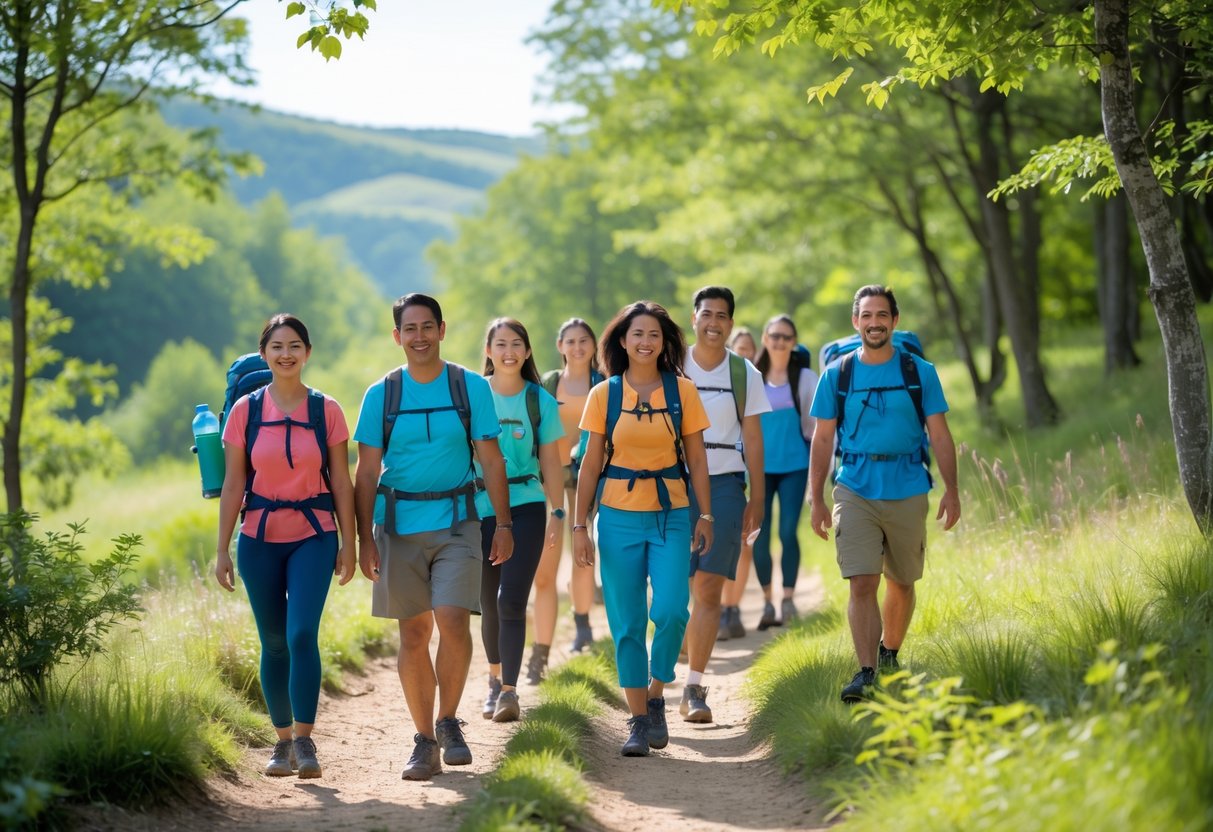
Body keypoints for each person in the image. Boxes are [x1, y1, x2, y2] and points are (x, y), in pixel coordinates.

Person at [353, 293, 513, 781]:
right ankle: (423, 739)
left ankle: (449, 721)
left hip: (458, 522)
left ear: (442, 330)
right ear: (396, 335)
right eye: (410, 328)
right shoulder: (382, 394)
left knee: (453, 620)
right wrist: (363, 539)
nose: (419, 336)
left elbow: (490, 458)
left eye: (428, 326)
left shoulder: (469, 387)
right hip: (398, 528)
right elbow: (365, 473)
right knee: (414, 632)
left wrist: (503, 523)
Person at [215, 313, 356, 780]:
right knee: (274, 642)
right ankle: (281, 743)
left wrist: (350, 542)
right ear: (265, 354)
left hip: (315, 534)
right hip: (258, 538)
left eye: (295, 345)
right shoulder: (246, 412)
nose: (286, 354)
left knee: (300, 636)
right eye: (277, 346)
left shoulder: (326, 410)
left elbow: (341, 479)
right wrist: (222, 549)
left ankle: (305, 739)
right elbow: (235, 483)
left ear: (308, 352)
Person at [573, 300, 713, 757]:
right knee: (627, 621)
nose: (646, 341)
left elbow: (697, 459)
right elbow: (590, 463)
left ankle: (656, 692)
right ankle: (637, 719)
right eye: (637, 334)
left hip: (671, 512)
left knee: (672, 609)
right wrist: (580, 525)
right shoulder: (604, 394)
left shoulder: (682, 391)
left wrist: (705, 515)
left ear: (664, 340)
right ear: (622, 340)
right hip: (616, 517)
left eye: (653, 334)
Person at [808, 285, 960, 703]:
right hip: (854, 484)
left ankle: (889, 652)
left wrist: (953, 490)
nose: (874, 322)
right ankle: (866, 671)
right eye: (866, 315)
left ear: (894, 321)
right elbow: (822, 439)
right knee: (861, 581)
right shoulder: (837, 374)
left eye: (882, 315)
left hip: (908, 484)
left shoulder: (919, 372)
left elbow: (940, 434)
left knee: (903, 580)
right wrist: (816, 497)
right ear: (855, 322)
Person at [680, 288, 770, 723]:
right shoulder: (672, 365)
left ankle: (694, 687)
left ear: (731, 324)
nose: (713, 322)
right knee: (673, 589)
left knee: (710, 589)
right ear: (693, 318)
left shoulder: (744, 372)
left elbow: (753, 437)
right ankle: (657, 683)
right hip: (672, 483)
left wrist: (756, 496)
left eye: (722, 316)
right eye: (706, 314)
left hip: (725, 485)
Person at [477, 318, 566, 722]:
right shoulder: (474, 395)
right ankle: (493, 679)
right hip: (478, 508)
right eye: (501, 344)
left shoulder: (540, 401)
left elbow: (550, 461)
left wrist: (559, 512)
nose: (509, 351)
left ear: (528, 351)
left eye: (516, 344)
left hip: (527, 505)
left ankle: (510, 692)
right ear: (489, 351)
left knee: (510, 599)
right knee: (487, 601)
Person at [529, 318, 603, 682]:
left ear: (593, 345)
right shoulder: (548, 384)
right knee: (546, 562)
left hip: (591, 480)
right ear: (560, 345)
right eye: (570, 341)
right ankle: (540, 646)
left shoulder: (604, 384)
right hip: (551, 482)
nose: (577, 347)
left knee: (583, 556)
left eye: (584, 340)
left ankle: (583, 624)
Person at [752, 315, 818, 628]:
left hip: (794, 466)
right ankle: (767, 602)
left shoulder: (804, 378)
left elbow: (813, 426)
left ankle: (788, 599)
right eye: (774, 335)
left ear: (793, 342)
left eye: (786, 337)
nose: (780, 341)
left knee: (788, 531)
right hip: (760, 469)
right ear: (765, 338)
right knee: (760, 535)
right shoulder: (751, 376)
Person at [718, 326, 758, 639]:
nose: (746, 355)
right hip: (720, 473)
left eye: (750, 350)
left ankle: (733, 608)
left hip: (744, 474)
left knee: (744, 546)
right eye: (740, 349)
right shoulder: (722, 380)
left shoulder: (753, 381)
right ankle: (717, 607)